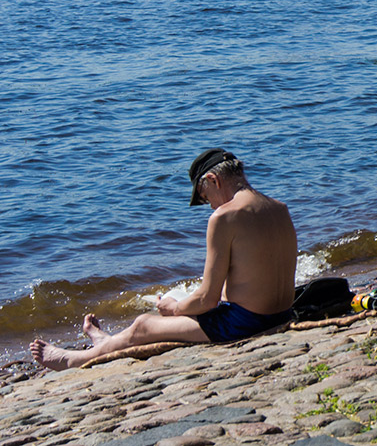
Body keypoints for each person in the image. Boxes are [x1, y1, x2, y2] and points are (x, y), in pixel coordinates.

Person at [31, 149, 297, 370]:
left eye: (206, 198)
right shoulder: (278, 207)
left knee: (143, 325)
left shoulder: (224, 217)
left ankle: (74, 359)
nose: (212, 206)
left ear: (214, 180)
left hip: (246, 323)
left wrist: (174, 308)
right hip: (281, 313)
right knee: (164, 318)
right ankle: (105, 342)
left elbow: (207, 300)